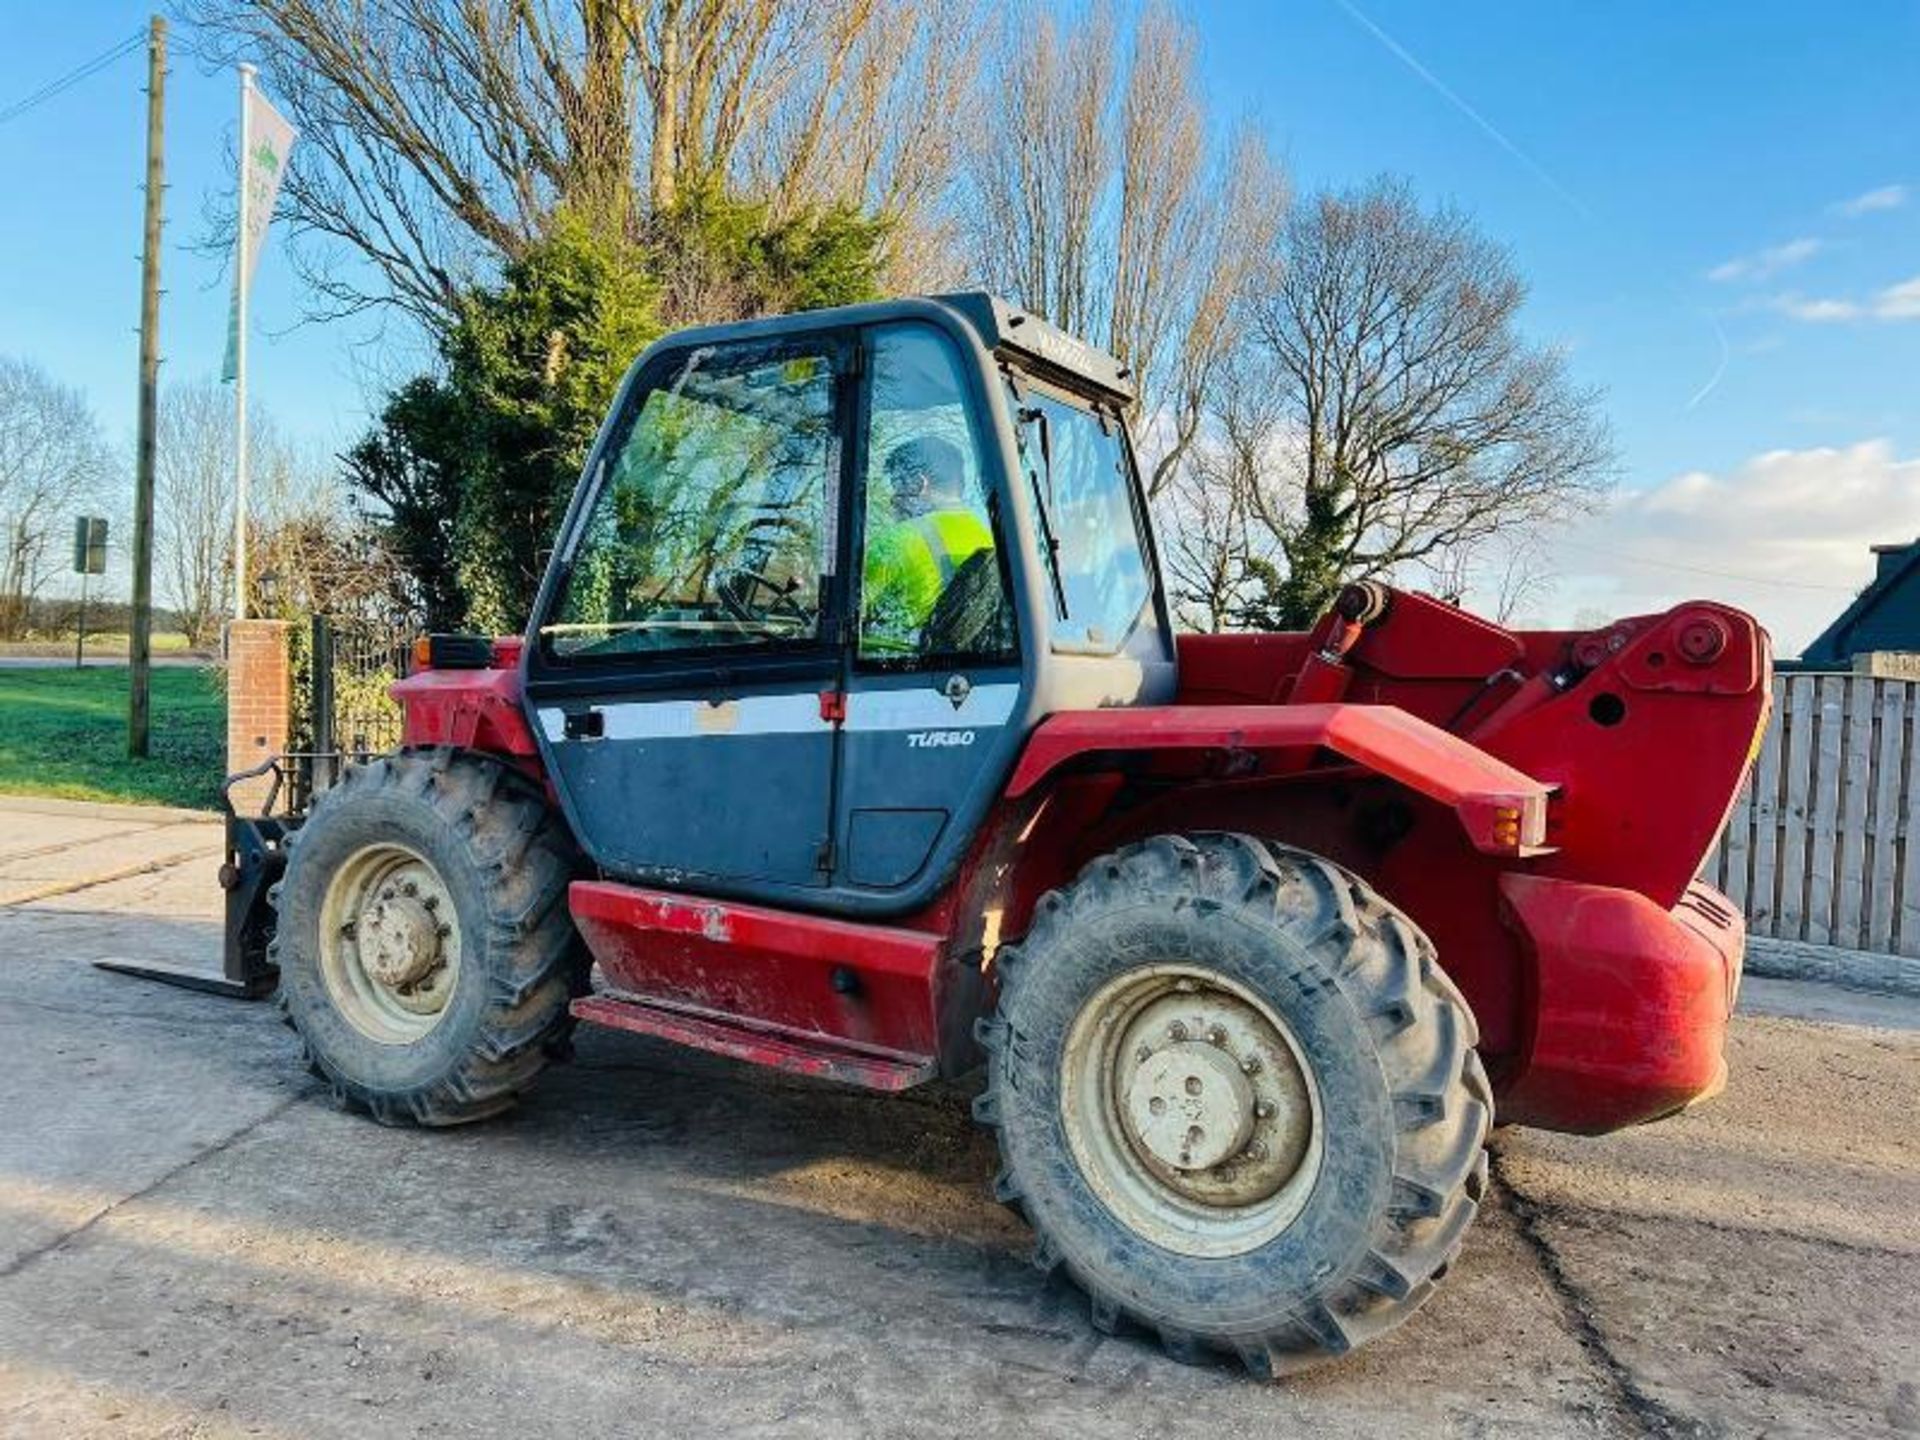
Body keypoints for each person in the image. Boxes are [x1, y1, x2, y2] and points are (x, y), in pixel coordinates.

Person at [862, 435, 994, 648]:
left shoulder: (897, 541)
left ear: (919, 484)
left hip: (890, 673)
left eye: (896, 486)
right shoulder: (989, 539)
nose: (892, 498)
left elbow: (846, 611)